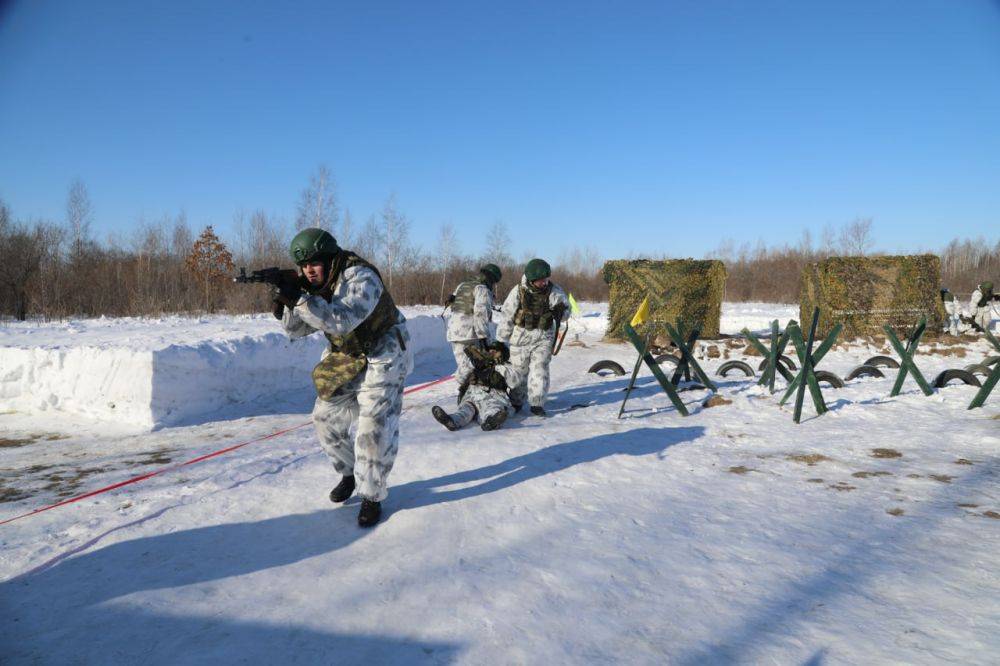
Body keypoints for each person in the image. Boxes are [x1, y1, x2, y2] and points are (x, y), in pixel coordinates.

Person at [276, 228, 412, 527]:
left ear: (329, 258)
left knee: (373, 427)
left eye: (313, 263)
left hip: (383, 352)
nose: (308, 271)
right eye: (303, 266)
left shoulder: (361, 277)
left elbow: (341, 319)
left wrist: (300, 300)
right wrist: (286, 306)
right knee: (324, 418)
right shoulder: (316, 284)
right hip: (348, 354)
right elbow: (296, 331)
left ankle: (371, 496)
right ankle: (350, 472)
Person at [496, 258, 568, 416]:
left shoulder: (554, 291)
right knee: (519, 373)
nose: (544, 283)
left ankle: (537, 403)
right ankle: (516, 401)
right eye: (541, 281)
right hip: (520, 340)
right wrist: (501, 341)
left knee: (540, 369)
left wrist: (561, 312)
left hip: (543, 338)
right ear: (531, 279)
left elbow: (566, 312)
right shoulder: (518, 291)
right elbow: (507, 315)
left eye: (546, 279)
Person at [430, 341, 520, 432]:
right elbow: (459, 378)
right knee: (465, 411)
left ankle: (490, 422)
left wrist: (497, 366)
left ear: (503, 353)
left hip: (494, 397)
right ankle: (451, 421)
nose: (491, 352)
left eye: (496, 351)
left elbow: (515, 382)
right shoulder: (476, 362)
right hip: (472, 395)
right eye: (490, 350)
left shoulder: (506, 366)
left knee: (492, 409)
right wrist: (471, 364)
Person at [444, 264, 502, 392]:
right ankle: (467, 391)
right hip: (469, 333)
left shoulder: (463, 285)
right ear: (492, 279)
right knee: (473, 366)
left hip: (454, 330)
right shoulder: (482, 290)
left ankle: (467, 392)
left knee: (465, 365)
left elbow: (454, 303)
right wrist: (483, 337)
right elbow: (480, 315)